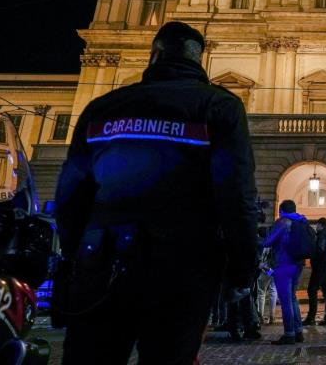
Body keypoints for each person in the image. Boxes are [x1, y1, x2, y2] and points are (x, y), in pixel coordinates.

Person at [53, 21, 258, 365]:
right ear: (199, 58)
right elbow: (237, 195)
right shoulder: (219, 106)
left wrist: (78, 255)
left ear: (155, 54)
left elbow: (70, 195)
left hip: (104, 261)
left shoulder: (102, 107)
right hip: (182, 265)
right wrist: (241, 269)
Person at [262, 199, 309, 345]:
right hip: (298, 264)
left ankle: (289, 334)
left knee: (285, 301)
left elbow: (268, 241)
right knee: (292, 298)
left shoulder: (282, 222)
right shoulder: (301, 221)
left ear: (281, 211)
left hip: (284, 264)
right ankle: (298, 331)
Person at [304, 217, 326, 326]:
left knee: (312, 291)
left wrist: (313, 259)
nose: (316, 227)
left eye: (317, 225)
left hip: (320, 268)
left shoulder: (322, 236)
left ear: (320, 225)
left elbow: (319, 251)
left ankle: (311, 318)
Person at [256, 246, 277, 324]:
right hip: (275, 269)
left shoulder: (265, 242)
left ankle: (260, 317)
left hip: (267, 269)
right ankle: (272, 317)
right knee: (273, 291)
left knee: (261, 292)